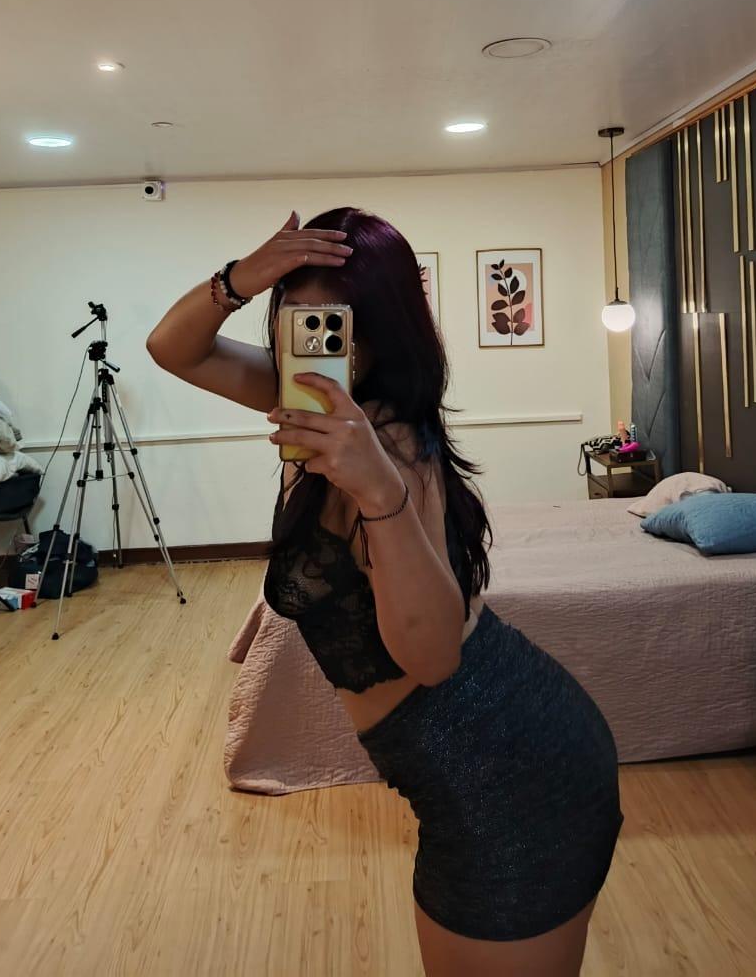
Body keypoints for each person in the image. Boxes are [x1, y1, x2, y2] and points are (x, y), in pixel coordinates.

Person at [147, 207, 620, 976]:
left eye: (335, 322)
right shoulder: (308, 405)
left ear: (381, 328)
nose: (314, 342)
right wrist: (241, 277)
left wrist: (376, 491)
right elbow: (172, 348)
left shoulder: (390, 445)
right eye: (294, 318)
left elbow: (430, 659)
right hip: (471, 771)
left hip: (514, 780)